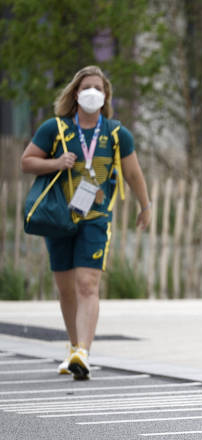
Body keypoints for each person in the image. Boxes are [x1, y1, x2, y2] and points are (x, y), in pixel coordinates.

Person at [21, 65, 152, 381]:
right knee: (66, 288)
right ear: (75, 93)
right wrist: (55, 163)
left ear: (105, 96)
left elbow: (133, 174)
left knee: (87, 284)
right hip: (59, 219)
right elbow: (27, 161)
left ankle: (83, 353)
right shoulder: (55, 129)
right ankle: (73, 347)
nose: (92, 92)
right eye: (86, 87)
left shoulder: (117, 134)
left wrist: (145, 205)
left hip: (96, 219)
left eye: (98, 88)